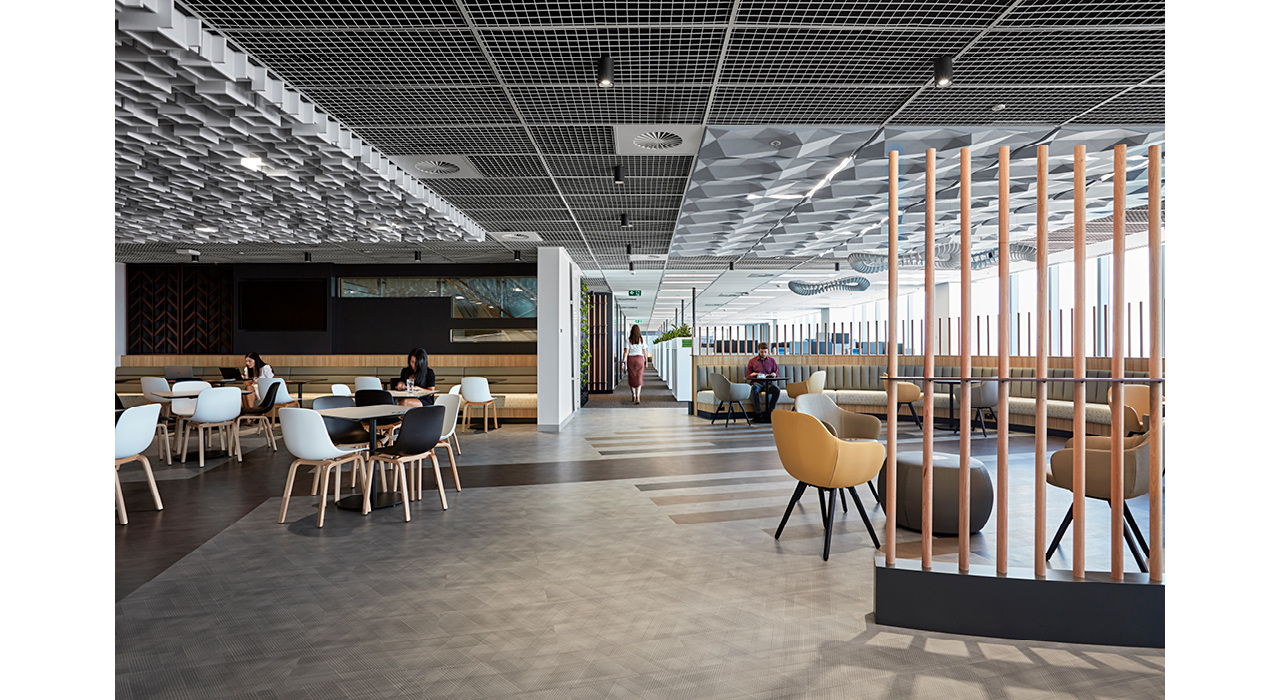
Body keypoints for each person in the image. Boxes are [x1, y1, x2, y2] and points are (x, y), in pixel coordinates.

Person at [746, 342, 780, 422]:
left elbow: (776, 374)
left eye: (765, 352)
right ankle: (759, 414)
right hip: (757, 383)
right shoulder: (752, 361)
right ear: (758, 351)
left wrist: (774, 374)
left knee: (777, 390)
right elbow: (747, 375)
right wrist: (752, 374)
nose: (763, 354)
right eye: (762, 352)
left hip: (768, 383)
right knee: (754, 390)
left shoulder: (772, 361)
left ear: (767, 351)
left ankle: (770, 413)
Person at [625, 324, 647, 404]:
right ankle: (638, 395)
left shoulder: (628, 340)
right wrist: (646, 361)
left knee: (632, 377)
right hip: (640, 359)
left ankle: (633, 395)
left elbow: (626, 351)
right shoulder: (642, 340)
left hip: (631, 359)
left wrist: (623, 361)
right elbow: (644, 351)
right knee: (639, 377)